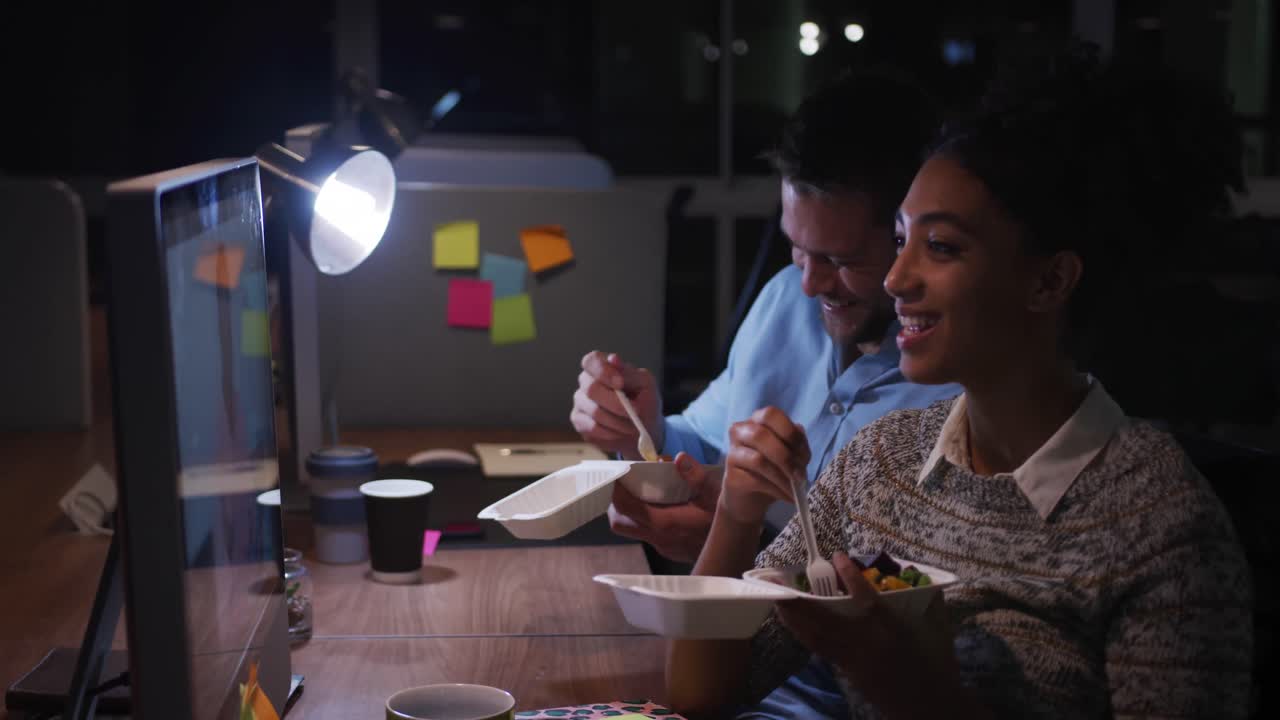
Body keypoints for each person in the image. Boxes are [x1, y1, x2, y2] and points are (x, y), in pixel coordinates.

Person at [667, 46, 1254, 719]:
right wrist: (737, 518)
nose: (895, 280)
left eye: (941, 248)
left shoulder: (1159, 525)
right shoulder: (880, 462)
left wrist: (895, 676)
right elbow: (700, 698)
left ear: (1049, 280)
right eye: (898, 239)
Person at [572, 70, 961, 720]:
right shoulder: (785, 302)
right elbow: (705, 442)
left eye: (839, 259)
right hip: (730, 680)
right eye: (796, 247)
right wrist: (641, 429)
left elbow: (910, 601)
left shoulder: (956, 380)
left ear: (908, 238)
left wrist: (737, 534)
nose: (810, 284)